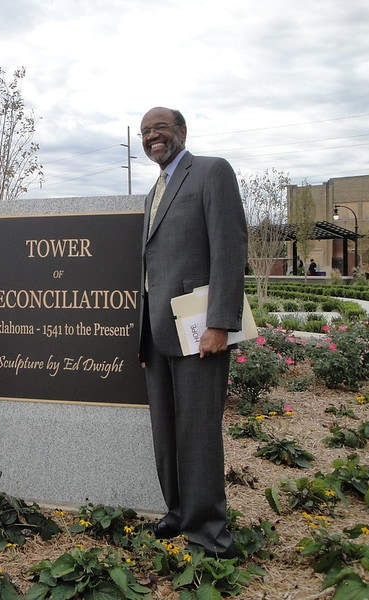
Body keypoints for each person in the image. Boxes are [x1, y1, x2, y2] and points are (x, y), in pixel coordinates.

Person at [138, 107, 248, 559]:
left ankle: (209, 534)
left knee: (198, 431)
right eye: (145, 132)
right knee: (166, 430)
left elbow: (229, 245)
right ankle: (178, 511)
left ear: (182, 131)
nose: (152, 136)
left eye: (160, 128)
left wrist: (221, 322)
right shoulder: (153, 191)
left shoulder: (211, 172)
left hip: (199, 329)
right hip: (158, 333)